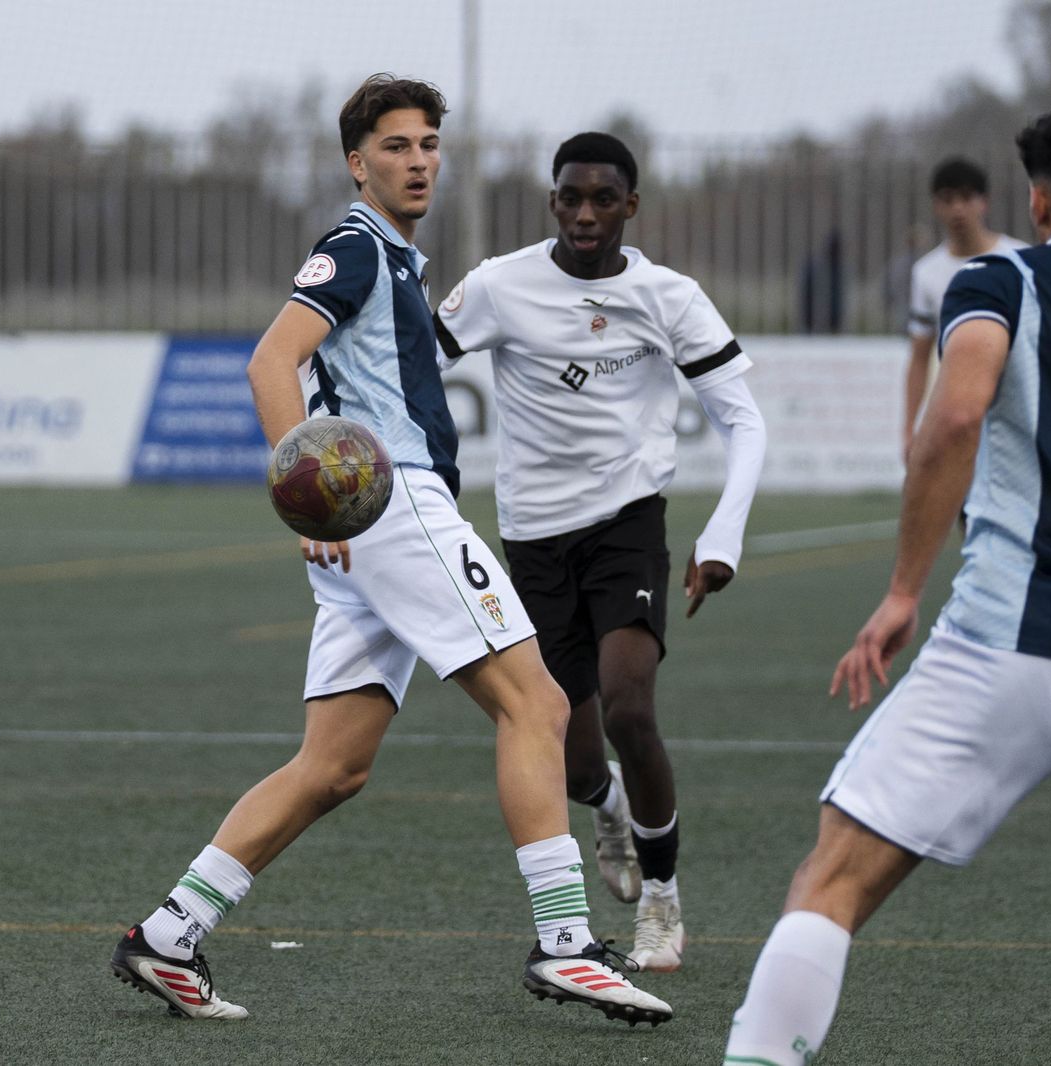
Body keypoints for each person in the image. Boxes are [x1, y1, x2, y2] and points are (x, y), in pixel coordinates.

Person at [107, 74, 671, 1027]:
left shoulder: (397, 261)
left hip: (369, 525)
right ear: (356, 161)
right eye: (398, 146)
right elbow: (269, 361)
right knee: (534, 701)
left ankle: (169, 934)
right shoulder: (357, 247)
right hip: (393, 507)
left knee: (333, 766)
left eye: (429, 145)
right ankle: (567, 946)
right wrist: (306, 503)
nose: (419, 162)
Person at [722, 96, 1051, 1066]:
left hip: (1006, 647)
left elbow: (953, 419)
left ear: (1036, 202)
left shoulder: (1001, 279)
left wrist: (903, 589)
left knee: (834, 878)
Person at [434, 132, 766, 973]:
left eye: (603, 200)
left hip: (627, 527)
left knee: (629, 708)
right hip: (534, 541)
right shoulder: (501, 285)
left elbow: (743, 419)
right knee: (576, 756)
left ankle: (661, 899)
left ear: (631, 206)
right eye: (571, 198)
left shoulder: (670, 297)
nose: (586, 214)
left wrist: (723, 531)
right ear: (552, 202)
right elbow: (414, 364)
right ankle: (608, 804)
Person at [902, 158, 1025, 461]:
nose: (958, 208)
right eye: (947, 199)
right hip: (957, 410)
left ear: (984, 202)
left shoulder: (1022, 258)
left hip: (1018, 409)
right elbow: (919, 356)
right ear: (936, 206)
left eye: (966, 198)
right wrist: (908, 428)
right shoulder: (926, 272)